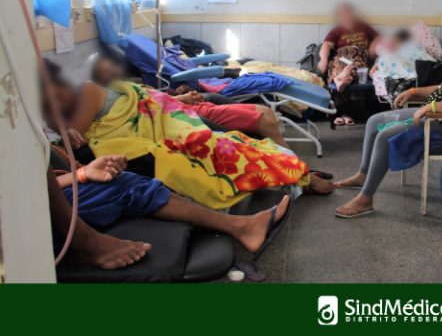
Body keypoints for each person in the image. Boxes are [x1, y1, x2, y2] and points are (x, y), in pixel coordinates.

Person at [44, 60, 335, 212]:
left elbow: (140, 97)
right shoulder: (55, 114)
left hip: (165, 115)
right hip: (159, 122)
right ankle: (295, 173)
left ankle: (298, 173)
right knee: (220, 147)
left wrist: (177, 99)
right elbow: (72, 135)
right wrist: (61, 126)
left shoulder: (86, 90)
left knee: (228, 142)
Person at [333, 39, 442, 218]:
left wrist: (433, 107)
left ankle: (366, 199)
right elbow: (441, 87)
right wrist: (414, 92)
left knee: (385, 136)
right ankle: (363, 175)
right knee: (374, 122)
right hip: (428, 113)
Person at [50, 152, 290, 267]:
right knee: (128, 186)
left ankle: (243, 224)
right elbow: (39, 186)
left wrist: (83, 173)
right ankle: (242, 227)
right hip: (42, 217)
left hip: (49, 191)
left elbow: (43, 180)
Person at [90, 55, 289, 148]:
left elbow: (152, 96)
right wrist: (181, 98)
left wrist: (178, 92)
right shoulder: (114, 98)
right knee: (264, 120)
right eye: (108, 70)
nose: (115, 71)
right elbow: (146, 109)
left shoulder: (129, 86)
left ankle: (283, 161)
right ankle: (294, 170)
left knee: (265, 110)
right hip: (183, 114)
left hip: (187, 103)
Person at [318, 3, 381, 126]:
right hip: (341, 57)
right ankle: (341, 81)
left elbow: (379, 37)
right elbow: (326, 45)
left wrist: (373, 46)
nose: (346, 16)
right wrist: (323, 59)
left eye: (348, 13)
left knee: (351, 67)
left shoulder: (363, 27)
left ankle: (339, 82)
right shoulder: (336, 30)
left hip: (358, 56)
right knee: (339, 65)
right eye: (343, 14)